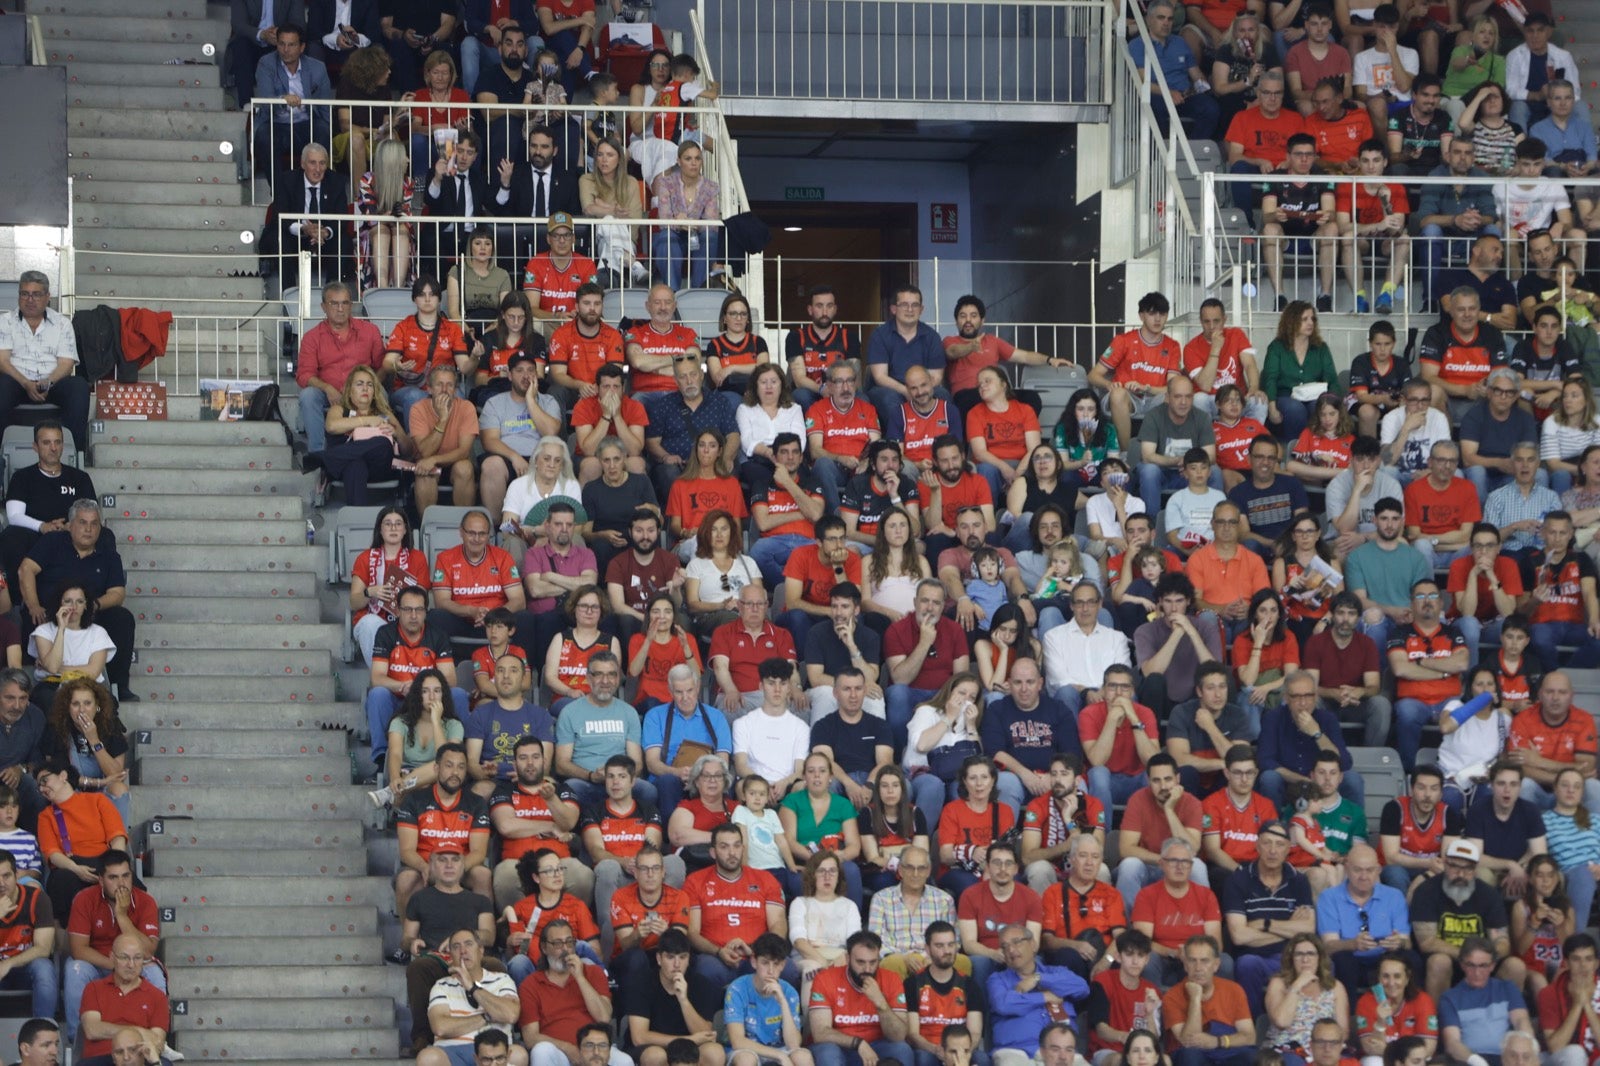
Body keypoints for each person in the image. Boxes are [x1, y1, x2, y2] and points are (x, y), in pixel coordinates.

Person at [17, 502, 136, 706]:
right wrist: (34, 605)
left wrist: (90, 606)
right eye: (82, 523)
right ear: (70, 525)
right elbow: (26, 569)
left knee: (122, 618)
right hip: (50, 614)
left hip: (90, 613)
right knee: (31, 617)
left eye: (94, 524)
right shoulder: (53, 542)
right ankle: (30, 680)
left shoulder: (108, 553)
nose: (88, 529)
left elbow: (117, 593)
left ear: (101, 527)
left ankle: (119, 685)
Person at [401, 846, 499, 1052]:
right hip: (436, 957)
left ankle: (498, 1032)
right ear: (432, 866)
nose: (449, 865)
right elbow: (406, 938)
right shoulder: (420, 898)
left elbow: (489, 936)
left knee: (495, 965)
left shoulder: (479, 901)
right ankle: (422, 1036)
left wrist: (461, 940)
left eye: (455, 860)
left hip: (471, 959)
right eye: (442, 860)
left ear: (463, 866)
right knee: (418, 967)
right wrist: (412, 943)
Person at [393, 744, 492, 930]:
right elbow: (406, 851)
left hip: (462, 866)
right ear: (437, 768)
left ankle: (483, 943)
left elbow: (479, 852)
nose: (455, 772)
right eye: (449, 765)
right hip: (425, 866)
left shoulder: (476, 803)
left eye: (461, 767)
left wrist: (456, 869)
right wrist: (425, 867)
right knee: (406, 879)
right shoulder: (415, 801)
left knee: (482, 874)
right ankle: (408, 942)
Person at [684, 823, 791, 993]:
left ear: (743, 848)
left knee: (789, 969)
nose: (732, 853)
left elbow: (778, 923)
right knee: (706, 972)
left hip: (759, 954)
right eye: (724, 847)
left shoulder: (765, 879)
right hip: (715, 956)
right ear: (712, 852)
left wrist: (757, 951)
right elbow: (692, 932)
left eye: (736, 845)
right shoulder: (695, 881)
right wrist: (719, 951)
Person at [1222, 820, 1315, 1013]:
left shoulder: (1298, 880)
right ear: (1257, 845)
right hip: (1256, 957)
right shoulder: (1238, 880)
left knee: (1326, 963)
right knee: (1246, 964)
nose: (1273, 850)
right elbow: (1239, 936)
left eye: (1280, 844)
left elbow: (1308, 929)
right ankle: (1253, 1028)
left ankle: (1309, 1027)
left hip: (1293, 956)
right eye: (1267, 843)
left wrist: (1265, 924)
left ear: (1288, 848)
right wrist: (1289, 928)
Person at [294, 282, 386, 455]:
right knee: (308, 396)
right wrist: (327, 388)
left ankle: (383, 451)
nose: (340, 308)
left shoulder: (370, 331)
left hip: (363, 389)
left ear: (351, 305)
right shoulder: (312, 337)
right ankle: (318, 455)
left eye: (345, 303)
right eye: (334, 303)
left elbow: (382, 367)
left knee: (383, 394)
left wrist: (369, 385)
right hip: (329, 392)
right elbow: (304, 374)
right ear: (323, 307)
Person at [516, 922, 618, 1066]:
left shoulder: (593, 972)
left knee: (624, 1061)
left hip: (596, 1048)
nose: (565, 949)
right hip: (558, 1053)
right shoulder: (530, 984)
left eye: (569, 942)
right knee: (541, 1051)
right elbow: (530, 1037)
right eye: (558, 944)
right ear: (544, 948)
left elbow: (604, 1017)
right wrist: (567, 1048)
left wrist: (580, 977)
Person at [1416, 139, 1502, 308]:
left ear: (1474, 157)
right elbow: (1424, 219)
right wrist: (1456, 220)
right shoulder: (1436, 176)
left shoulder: (1482, 177)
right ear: (1447, 155)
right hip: (1443, 240)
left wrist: (1476, 219)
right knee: (1431, 230)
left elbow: (1490, 217)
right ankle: (1431, 300)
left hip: (1472, 241)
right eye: (1457, 152)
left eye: (1468, 153)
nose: (1462, 158)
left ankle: (1489, 295)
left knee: (1493, 230)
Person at [35, 764, 125, 922]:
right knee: (61, 880)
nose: (42, 788)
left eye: (45, 780)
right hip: (71, 866)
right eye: (39, 786)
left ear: (63, 775)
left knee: (126, 880)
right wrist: (76, 869)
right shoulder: (46, 816)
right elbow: (52, 853)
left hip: (104, 862)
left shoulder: (97, 800)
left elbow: (117, 836)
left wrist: (115, 867)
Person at [988, 924, 1090, 1064]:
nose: (1011, 950)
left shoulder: (1057, 973)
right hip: (1017, 1051)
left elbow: (1082, 988)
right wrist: (1044, 997)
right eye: (1005, 946)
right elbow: (1004, 1004)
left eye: (1017, 942)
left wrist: (1038, 979)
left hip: (1063, 1052)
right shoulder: (998, 979)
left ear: (1033, 945)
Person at [1257, 673, 1360, 808]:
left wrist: (1317, 734)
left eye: (1308, 696)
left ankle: (1356, 827)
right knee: (1269, 778)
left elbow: (1344, 763)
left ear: (1316, 696)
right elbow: (1265, 761)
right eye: (1296, 697)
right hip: (1288, 784)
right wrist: (1303, 780)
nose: (1303, 703)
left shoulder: (1327, 719)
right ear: (1286, 698)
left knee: (1352, 779)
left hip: (1322, 782)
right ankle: (1273, 826)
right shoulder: (1273, 718)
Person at [1131, 836, 1223, 989]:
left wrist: (1192, 955)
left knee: (1224, 962)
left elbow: (1216, 944)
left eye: (1185, 862)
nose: (1180, 867)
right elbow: (1142, 941)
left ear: (1191, 866)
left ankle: (1209, 1007)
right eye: (1173, 861)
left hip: (1197, 958)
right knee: (1146, 959)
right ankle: (1155, 1008)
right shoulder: (1147, 895)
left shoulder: (1206, 895)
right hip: (1163, 957)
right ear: (1161, 864)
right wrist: (1172, 952)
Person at [1300, 592, 1390, 748]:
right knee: (1310, 700)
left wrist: (1359, 692)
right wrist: (1333, 693)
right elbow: (1310, 686)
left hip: (1356, 703)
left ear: (1358, 618)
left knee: (1381, 704)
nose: (1345, 619)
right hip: (1326, 703)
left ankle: (1372, 756)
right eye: (1340, 613)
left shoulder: (1367, 644)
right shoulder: (1316, 642)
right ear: (1333, 616)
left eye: (1351, 614)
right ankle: (1318, 753)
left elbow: (1374, 687)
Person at [1507, 670, 1600, 812]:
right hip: (1539, 789)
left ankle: (1594, 833)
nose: (1555, 698)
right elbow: (1521, 769)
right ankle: (1525, 833)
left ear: (1571, 696)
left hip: (1572, 791)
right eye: (1549, 692)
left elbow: (1586, 767)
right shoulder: (1523, 719)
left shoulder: (1584, 719)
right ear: (1540, 695)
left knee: (1593, 786)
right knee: (1525, 785)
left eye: (1562, 692)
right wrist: (1564, 775)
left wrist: (1539, 762)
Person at [957, 842, 1044, 989]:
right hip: (986, 955)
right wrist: (993, 954)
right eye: (997, 863)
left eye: (1008, 864)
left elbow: (1033, 944)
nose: (1003, 869)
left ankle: (1029, 1009)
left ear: (1016, 869)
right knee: (978, 962)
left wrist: (1013, 953)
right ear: (987, 866)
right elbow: (969, 944)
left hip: (1020, 954)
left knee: (1038, 963)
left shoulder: (1031, 897)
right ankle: (981, 1011)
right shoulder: (970, 895)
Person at [1437, 937, 1535, 1066]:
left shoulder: (1507, 988)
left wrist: (1527, 1049)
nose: (1477, 973)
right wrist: (1476, 1061)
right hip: (1469, 1060)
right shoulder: (1449, 998)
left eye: (1483, 966)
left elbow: (1521, 1021)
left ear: (1493, 965)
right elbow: (1452, 1043)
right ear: (1462, 965)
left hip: (1506, 1058)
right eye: (1471, 965)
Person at [1135, 376, 1222, 521]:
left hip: (1191, 473)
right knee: (1149, 470)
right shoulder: (1154, 416)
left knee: (1215, 472)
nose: (1183, 402)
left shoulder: (1202, 417)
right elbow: (1147, 456)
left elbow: (1211, 457)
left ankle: (1215, 522)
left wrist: (1190, 466)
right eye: (1178, 397)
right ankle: (1151, 526)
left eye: (1188, 397)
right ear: (1167, 397)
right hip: (1162, 474)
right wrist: (1177, 461)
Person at [1131, 0, 1221, 140]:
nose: (1166, 23)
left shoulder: (1180, 42)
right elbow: (1143, 80)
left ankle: (1192, 149)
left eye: (1170, 18)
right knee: (1154, 107)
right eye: (1161, 18)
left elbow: (1195, 73)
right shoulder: (1137, 45)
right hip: (1157, 94)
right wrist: (1168, 93)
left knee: (1211, 108)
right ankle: (1161, 152)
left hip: (1184, 95)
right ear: (1149, 20)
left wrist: (1201, 85)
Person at [1159, 935, 1255, 1063]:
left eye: (1204, 961)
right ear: (1185, 965)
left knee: (1252, 1057)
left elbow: (1249, 1037)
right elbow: (1189, 1041)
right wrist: (1195, 999)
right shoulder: (1172, 996)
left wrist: (1217, 1041)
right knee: (1190, 1054)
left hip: (1225, 1050)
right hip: (1191, 1055)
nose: (1198, 968)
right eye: (1192, 961)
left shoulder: (1234, 990)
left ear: (1216, 965)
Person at [75, 934, 167, 1064]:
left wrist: (108, 1030)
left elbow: (156, 1041)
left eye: (137, 958)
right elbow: (92, 1030)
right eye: (124, 957)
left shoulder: (157, 996)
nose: (131, 964)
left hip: (139, 1059)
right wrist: (139, 1031)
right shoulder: (94, 989)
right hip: (100, 1058)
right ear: (112, 958)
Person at [708, 587, 799, 717]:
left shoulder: (782, 634)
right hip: (740, 696)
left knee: (802, 706)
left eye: (760, 604)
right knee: (730, 709)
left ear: (766, 605)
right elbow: (720, 667)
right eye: (749, 604)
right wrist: (731, 690)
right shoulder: (723, 632)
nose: (755, 609)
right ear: (739, 605)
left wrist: (796, 687)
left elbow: (792, 670)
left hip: (775, 695)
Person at [1262, 936, 1349, 1061]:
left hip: (1325, 1049)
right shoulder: (1278, 983)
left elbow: (1342, 1032)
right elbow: (1282, 1022)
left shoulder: (1335, 987)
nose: (1305, 959)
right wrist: (1297, 985)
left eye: (1311, 954)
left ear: (1319, 958)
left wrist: (1320, 1048)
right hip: (1287, 1051)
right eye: (1299, 954)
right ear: (1291, 959)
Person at [1378, 766, 1462, 894]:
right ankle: (1400, 912)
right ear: (1411, 790)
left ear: (1441, 793)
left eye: (1434, 789)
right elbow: (1391, 858)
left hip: (1430, 868)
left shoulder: (1448, 814)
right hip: (1396, 867)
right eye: (1421, 788)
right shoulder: (1394, 809)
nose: (1427, 795)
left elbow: (1447, 859)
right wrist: (1428, 863)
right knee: (1396, 875)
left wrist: (1426, 875)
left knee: (1446, 874)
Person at [1536, 931, 1600, 1064]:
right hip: (1558, 1058)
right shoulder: (1548, 993)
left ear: (1596, 963)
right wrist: (1577, 1005)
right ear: (1566, 963)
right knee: (1575, 1053)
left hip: (1595, 1057)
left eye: (1588, 959)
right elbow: (1555, 1047)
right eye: (1576, 959)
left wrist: (1587, 1004)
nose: (1583, 965)